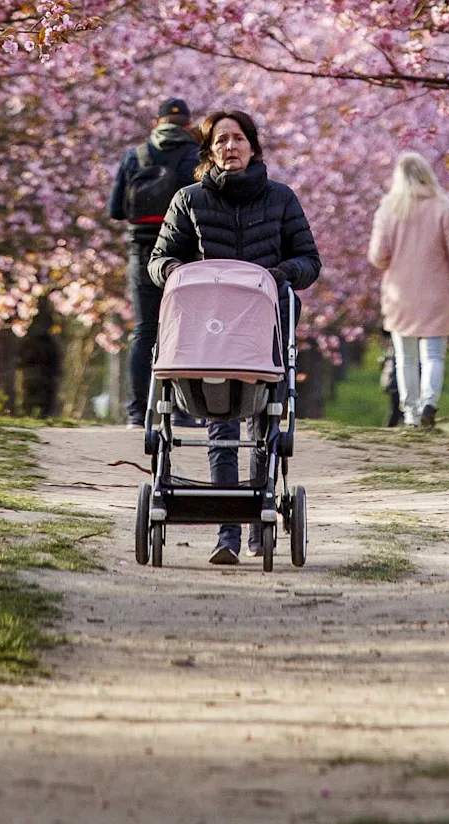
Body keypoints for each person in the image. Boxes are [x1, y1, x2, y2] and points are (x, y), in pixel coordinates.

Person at [149, 109, 320, 565]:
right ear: (209, 150)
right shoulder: (189, 200)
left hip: (264, 324)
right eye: (221, 140)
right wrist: (177, 272)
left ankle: (258, 517)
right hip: (209, 328)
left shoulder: (281, 199)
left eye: (238, 138)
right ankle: (227, 534)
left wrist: (278, 275)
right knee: (220, 424)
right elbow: (160, 259)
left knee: (264, 424)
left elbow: (309, 260)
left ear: (253, 146)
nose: (230, 147)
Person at [366, 151, 449, 430]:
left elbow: (377, 256)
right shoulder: (443, 208)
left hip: (400, 294)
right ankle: (430, 402)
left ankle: (410, 414)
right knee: (433, 355)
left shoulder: (389, 208)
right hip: (435, 294)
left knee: (404, 357)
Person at [108, 97, 200, 427]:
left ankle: (138, 411)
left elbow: (116, 209)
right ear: (189, 125)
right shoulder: (197, 156)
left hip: (143, 250)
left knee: (145, 330)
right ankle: (183, 410)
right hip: (185, 253)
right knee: (185, 328)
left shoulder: (135, 156)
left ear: (156, 123)